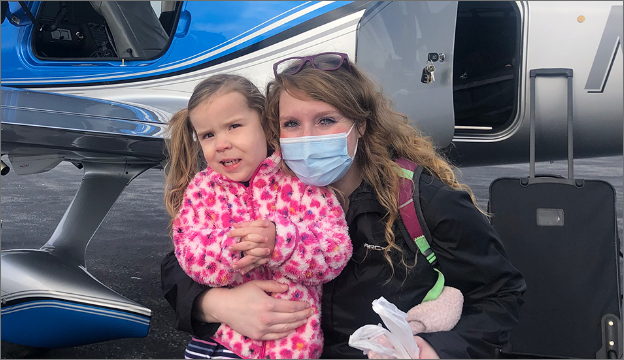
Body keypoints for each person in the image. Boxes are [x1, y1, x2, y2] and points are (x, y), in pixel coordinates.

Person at [161, 53, 527, 359]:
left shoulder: (420, 200)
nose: (307, 137)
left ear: (361, 124)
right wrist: (213, 305)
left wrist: (437, 349)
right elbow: (179, 260)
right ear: (274, 130)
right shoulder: (260, 185)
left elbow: (499, 292)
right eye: (291, 123)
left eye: (326, 120)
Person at [164, 74, 353, 359]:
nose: (222, 143)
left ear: (265, 125)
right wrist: (235, 249)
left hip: (292, 346)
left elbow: (336, 249)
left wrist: (282, 242)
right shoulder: (203, 190)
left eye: (234, 126)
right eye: (208, 135)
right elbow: (188, 252)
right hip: (220, 344)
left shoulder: (301, 182)